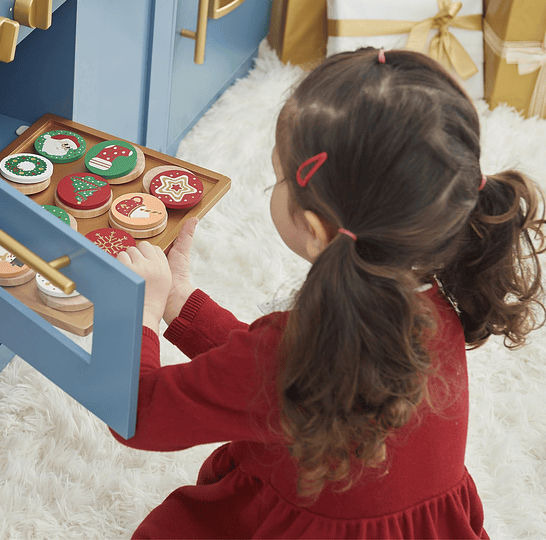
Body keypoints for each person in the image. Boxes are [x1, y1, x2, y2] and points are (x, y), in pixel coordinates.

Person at [112, 48, 546, 539]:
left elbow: (140, 415)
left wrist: (140, 313)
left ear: (316, 230)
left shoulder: (290, 348)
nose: (273, 184)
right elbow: (276, 381)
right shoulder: (436, 306)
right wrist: (181, 303)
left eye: (278, 177)